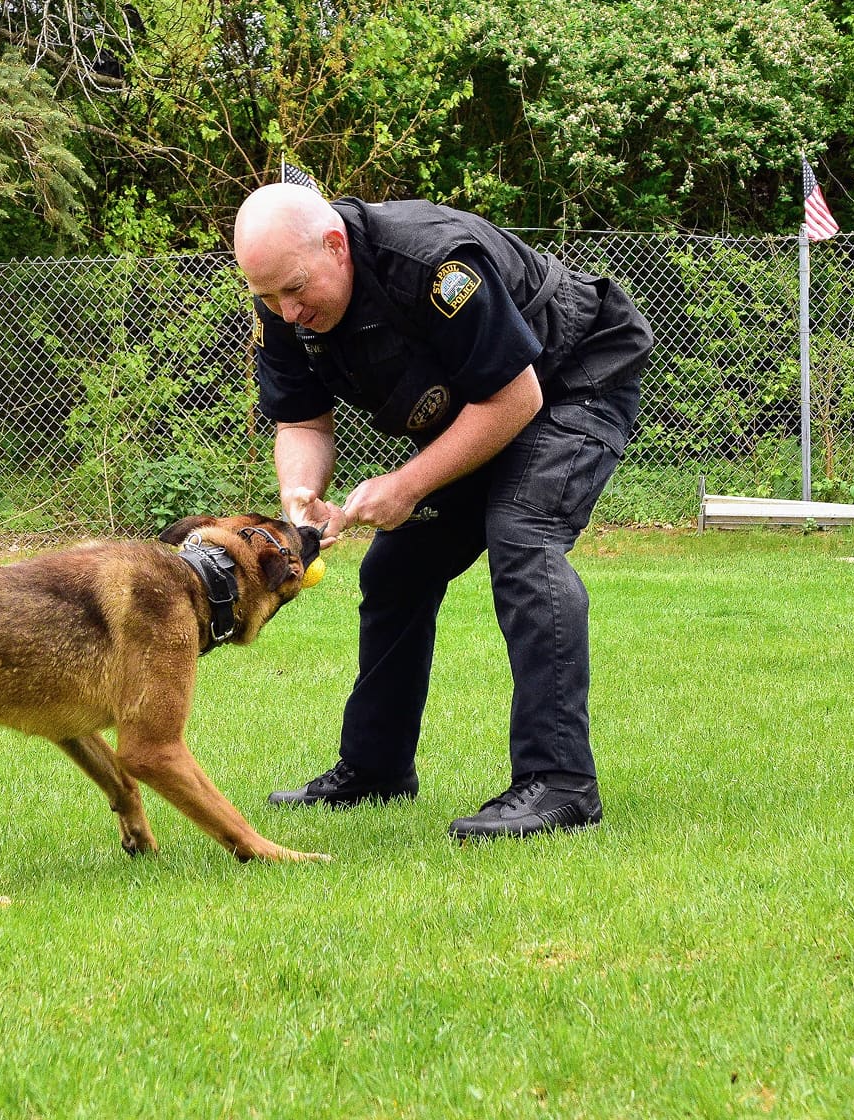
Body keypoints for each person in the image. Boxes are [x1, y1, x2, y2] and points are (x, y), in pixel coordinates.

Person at [233, 183, 652, 839]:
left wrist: (405, 485)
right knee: (396, 569)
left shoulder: (432, 265)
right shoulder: (286, 306)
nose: (287, 310)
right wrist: (299, 495)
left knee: (524, 538)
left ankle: (560, 784)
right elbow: (301, 420)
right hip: (484, 406)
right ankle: (376, 771)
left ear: (336, 247)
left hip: (573, 379)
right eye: (268, 296)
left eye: (294, 289)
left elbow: (517, 398)